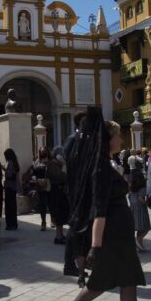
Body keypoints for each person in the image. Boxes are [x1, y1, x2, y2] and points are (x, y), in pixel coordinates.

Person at [51, 108, 151, 301]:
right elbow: (99, 210)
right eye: (118, 136)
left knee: (121, 281)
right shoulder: (100, 167)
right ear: (108, 139)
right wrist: (95, 247)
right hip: (111, 236)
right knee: (105, 282)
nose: (121, 140)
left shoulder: (106, 163)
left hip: (119, 234)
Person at [63, 112, 86, 277]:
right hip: (77, 191)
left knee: (78, 228)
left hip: (81, 189)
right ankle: (71, 264)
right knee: (75, 228)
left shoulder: (81, 139)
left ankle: (77, 262)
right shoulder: (73, 140)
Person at [48, 146, 69, 244]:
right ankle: (58, 237)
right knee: (58, 214)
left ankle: (60, 235)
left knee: (61, 214)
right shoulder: (53, 164)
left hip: (61, 191)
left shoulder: (59, 163)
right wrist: (64, 164)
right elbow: (62, 177)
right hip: (56, 191)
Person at [128, 169, 151, 252]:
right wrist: (146, 203)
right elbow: (140, 198)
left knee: (138, 228)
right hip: (140, 208)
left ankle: (140, 245)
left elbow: (130, 198)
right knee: (145, 228)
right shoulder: (142, 187)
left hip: (132, 208)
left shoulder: (130, 187)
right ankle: (138, 240)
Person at [30, 147, 51, 231]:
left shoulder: (49, 161)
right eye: (41, 152)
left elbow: (50, 172)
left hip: (48, 184)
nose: (42, 153)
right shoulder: (37, 161)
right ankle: (43, 222)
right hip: (39, 184)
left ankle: (53, 220)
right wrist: (34, 177)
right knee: (42, 204)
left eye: (44, 152)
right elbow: (33, 172)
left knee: (50, 203)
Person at [2, 148, 21, 231]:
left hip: (9, 186)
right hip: (13, 186)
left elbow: (9, 175)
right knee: (13, 206)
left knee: (9, 206)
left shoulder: (9, 163)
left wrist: (4, 170)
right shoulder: (15, 162)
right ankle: (14, 224)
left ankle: (10, 224)